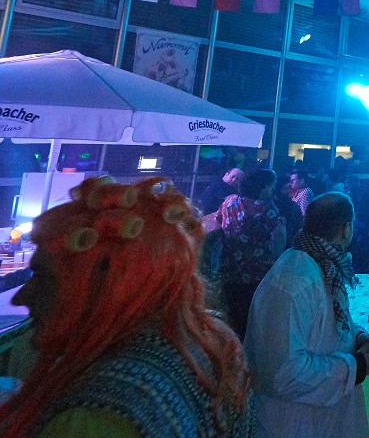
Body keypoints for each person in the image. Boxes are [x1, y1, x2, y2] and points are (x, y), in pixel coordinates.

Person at [0, 176, 251, 437]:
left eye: (42, 277)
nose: (21, 298)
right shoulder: (216, 344)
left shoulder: (93, 419)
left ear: (107, 285)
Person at [245, 192, 369, 438]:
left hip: (315, 421)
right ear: (346, 229)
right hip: (290, 425)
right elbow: (283, 374)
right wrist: (358, 366)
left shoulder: (321, 266)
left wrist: (358, 337)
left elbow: (326, 324)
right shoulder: (294, 281)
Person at [217, 169, 286, 340]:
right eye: (271, 187)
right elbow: (278, 238)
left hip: (229, 268)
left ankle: (231, 347)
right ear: (263, 187)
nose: (272, 191)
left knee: (232, 315)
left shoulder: (229, 202)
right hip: (256, 271)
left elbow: (218, 221)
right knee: (252, 317)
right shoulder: (265, 209)